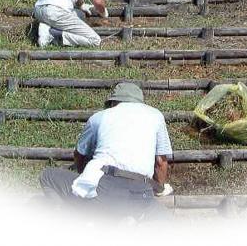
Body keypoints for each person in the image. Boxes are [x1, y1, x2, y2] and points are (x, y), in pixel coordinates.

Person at [39, 82, 174, 220]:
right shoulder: (156, 116)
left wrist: (82, 174)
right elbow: (161, 162)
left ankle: (65, 221)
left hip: (105, 188)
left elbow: (79, 153)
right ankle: (130, 219)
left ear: (114, 102)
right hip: (142, 194)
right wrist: (159, 188)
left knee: (47, 176)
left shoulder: (99, 117)